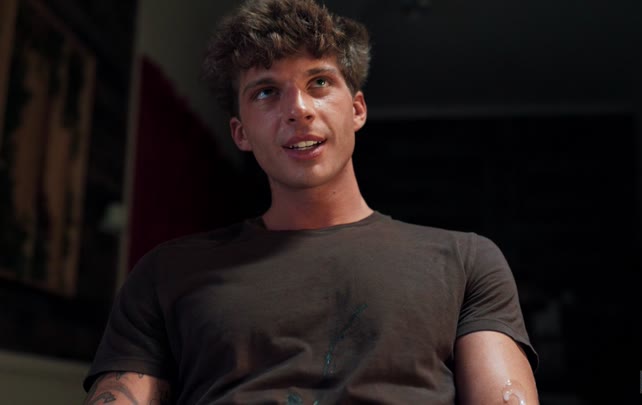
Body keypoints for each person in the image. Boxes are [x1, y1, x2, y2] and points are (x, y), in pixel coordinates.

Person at [83, 0, 539, 403]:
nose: (298, 108)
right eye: (266, 92)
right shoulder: (165, 274)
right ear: (241, 133)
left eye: (319, 82)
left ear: (356, 109)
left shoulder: (464, 262)